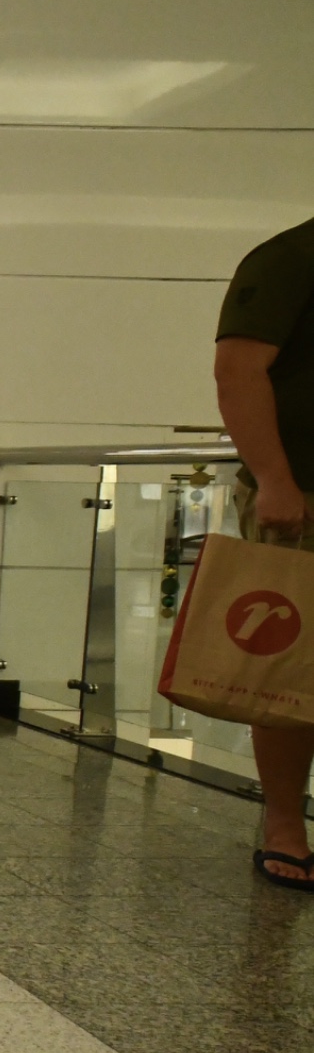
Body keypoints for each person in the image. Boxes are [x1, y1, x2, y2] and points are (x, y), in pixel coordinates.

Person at [215, 214, 314, 890]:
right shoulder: (289, 258)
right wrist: (275, 478)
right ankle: (285, 824)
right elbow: (238, 370)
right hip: (302, 499)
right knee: (288, 669)